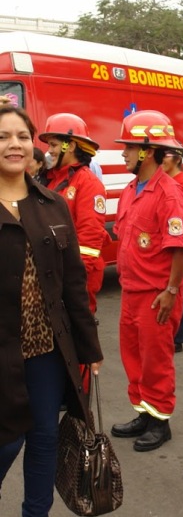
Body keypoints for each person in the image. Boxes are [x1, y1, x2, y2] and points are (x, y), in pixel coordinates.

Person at [0, 104, 103, 516]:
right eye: (3, 136)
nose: (14, 144)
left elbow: (73, 284)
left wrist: (90, 349)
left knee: (44, 438)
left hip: (46, 352)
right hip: (1, 353)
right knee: (7, 440)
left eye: (22, 137)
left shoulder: (52, 204)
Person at [110, 110, 183, 453]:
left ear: (147, 150)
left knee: (156, 361)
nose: (123, 153)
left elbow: (181, 249)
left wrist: (172, 291)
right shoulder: (132, 189)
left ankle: (160, 421)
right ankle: (143, 412)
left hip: (156, 294)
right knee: (133, 357)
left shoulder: (170, 193)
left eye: (129, 147)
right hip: (131, 292)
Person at [40, 113, 109, 315]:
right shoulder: (51, 179)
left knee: (78, 337)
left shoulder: (87, 183)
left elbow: (90, 238)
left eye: (53, 145)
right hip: (54, 275)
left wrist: (73, 280)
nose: (49, 151)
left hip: (74, 278)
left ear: (69, 146)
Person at [161, 146, 183, 353]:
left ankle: (180, 335)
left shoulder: (182, 182)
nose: (162, 160)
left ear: (177, 159)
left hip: (179, 242)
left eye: (166, 156)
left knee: (180, 290)